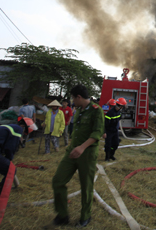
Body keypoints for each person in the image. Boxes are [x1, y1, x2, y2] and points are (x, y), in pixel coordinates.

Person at [51, 85, 104, 227]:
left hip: (87, 153)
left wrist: (82, 147)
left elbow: (97, 133)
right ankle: (62, 215)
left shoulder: (96, 111)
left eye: (73, 98)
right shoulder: (79, 110)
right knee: (58, 180)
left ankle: (85, 216)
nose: (72, 101)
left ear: (78, 97)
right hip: (73, 151)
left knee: (86, 186)